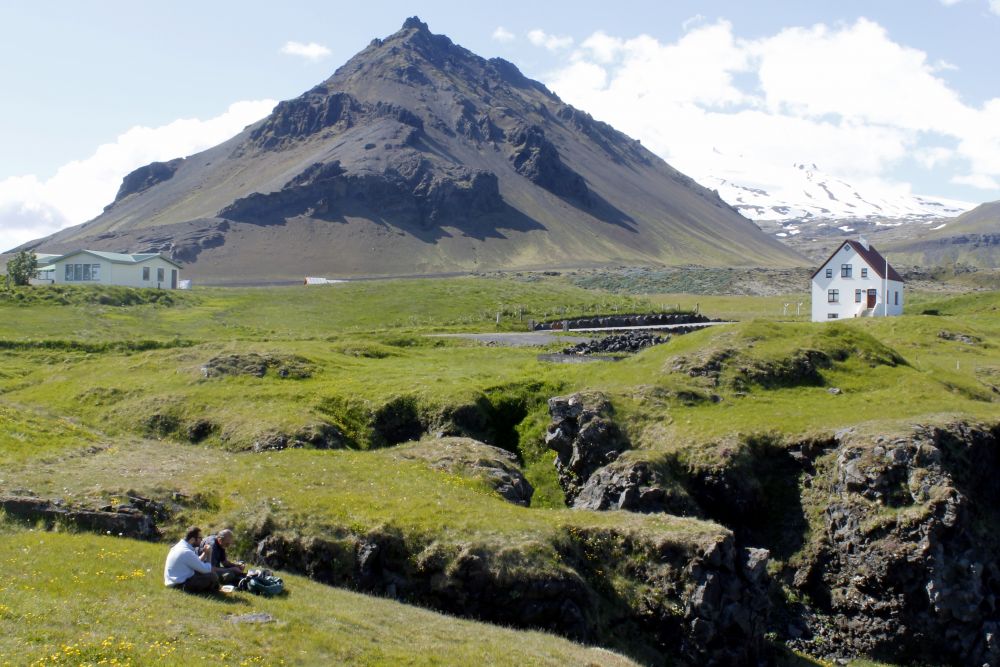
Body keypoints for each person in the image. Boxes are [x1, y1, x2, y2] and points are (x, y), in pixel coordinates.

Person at [163, 526, 219, 592]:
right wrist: (209, 554)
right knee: (212, 576)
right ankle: (212, 590)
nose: (202, 540)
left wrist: (205, 553)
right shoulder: (186, 552)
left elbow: (194, 562)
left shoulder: (179, 546)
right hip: (180, 585)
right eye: (200, 538)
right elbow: (206, 570)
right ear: (192, 539)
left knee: (202, 574)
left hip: (172, 582)